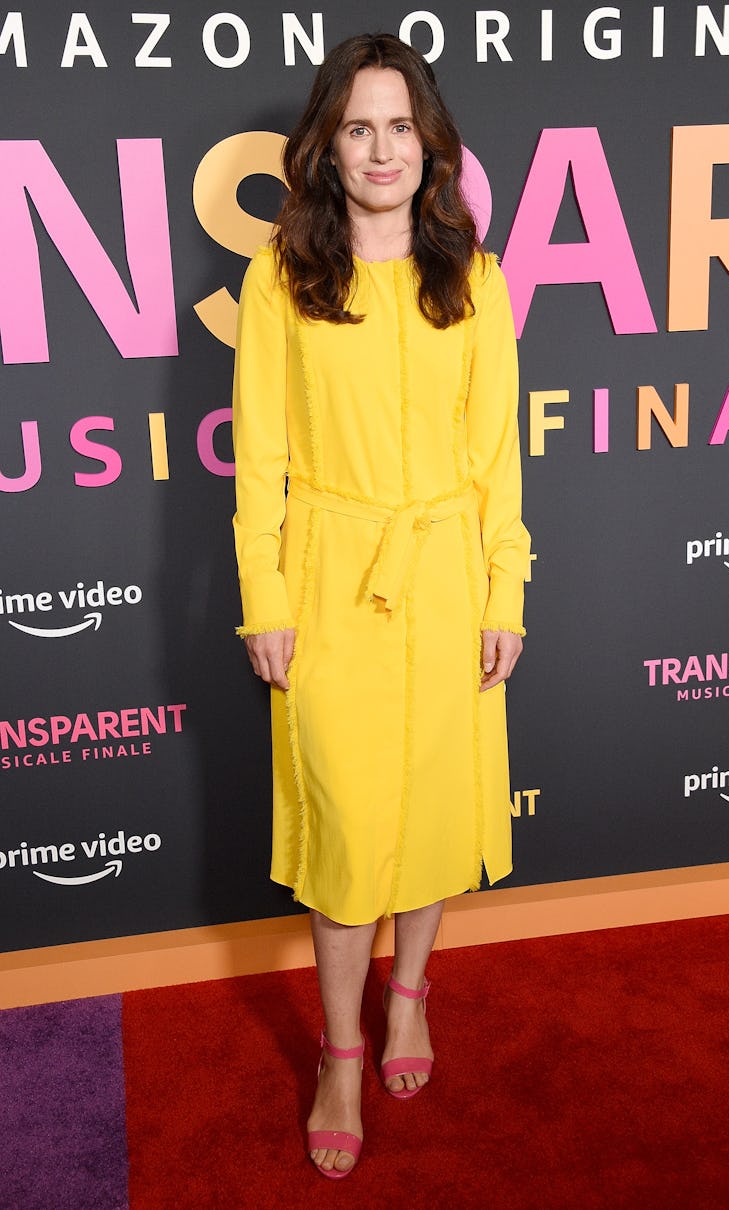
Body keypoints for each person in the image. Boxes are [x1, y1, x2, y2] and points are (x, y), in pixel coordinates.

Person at [232, 32, 530, 1179]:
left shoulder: (478, 276)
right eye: (358, 126)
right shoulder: (281, 276)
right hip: (330, 580)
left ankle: (411, 997)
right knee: (352, 832)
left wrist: (505, 586)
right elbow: (262, 461)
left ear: (431, 142)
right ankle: (342, 1051)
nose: (381, 148)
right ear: (327, 146)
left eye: (401, 125)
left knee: (436, 814)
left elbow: (497, 459)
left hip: (452, 574)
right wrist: (266, 598)